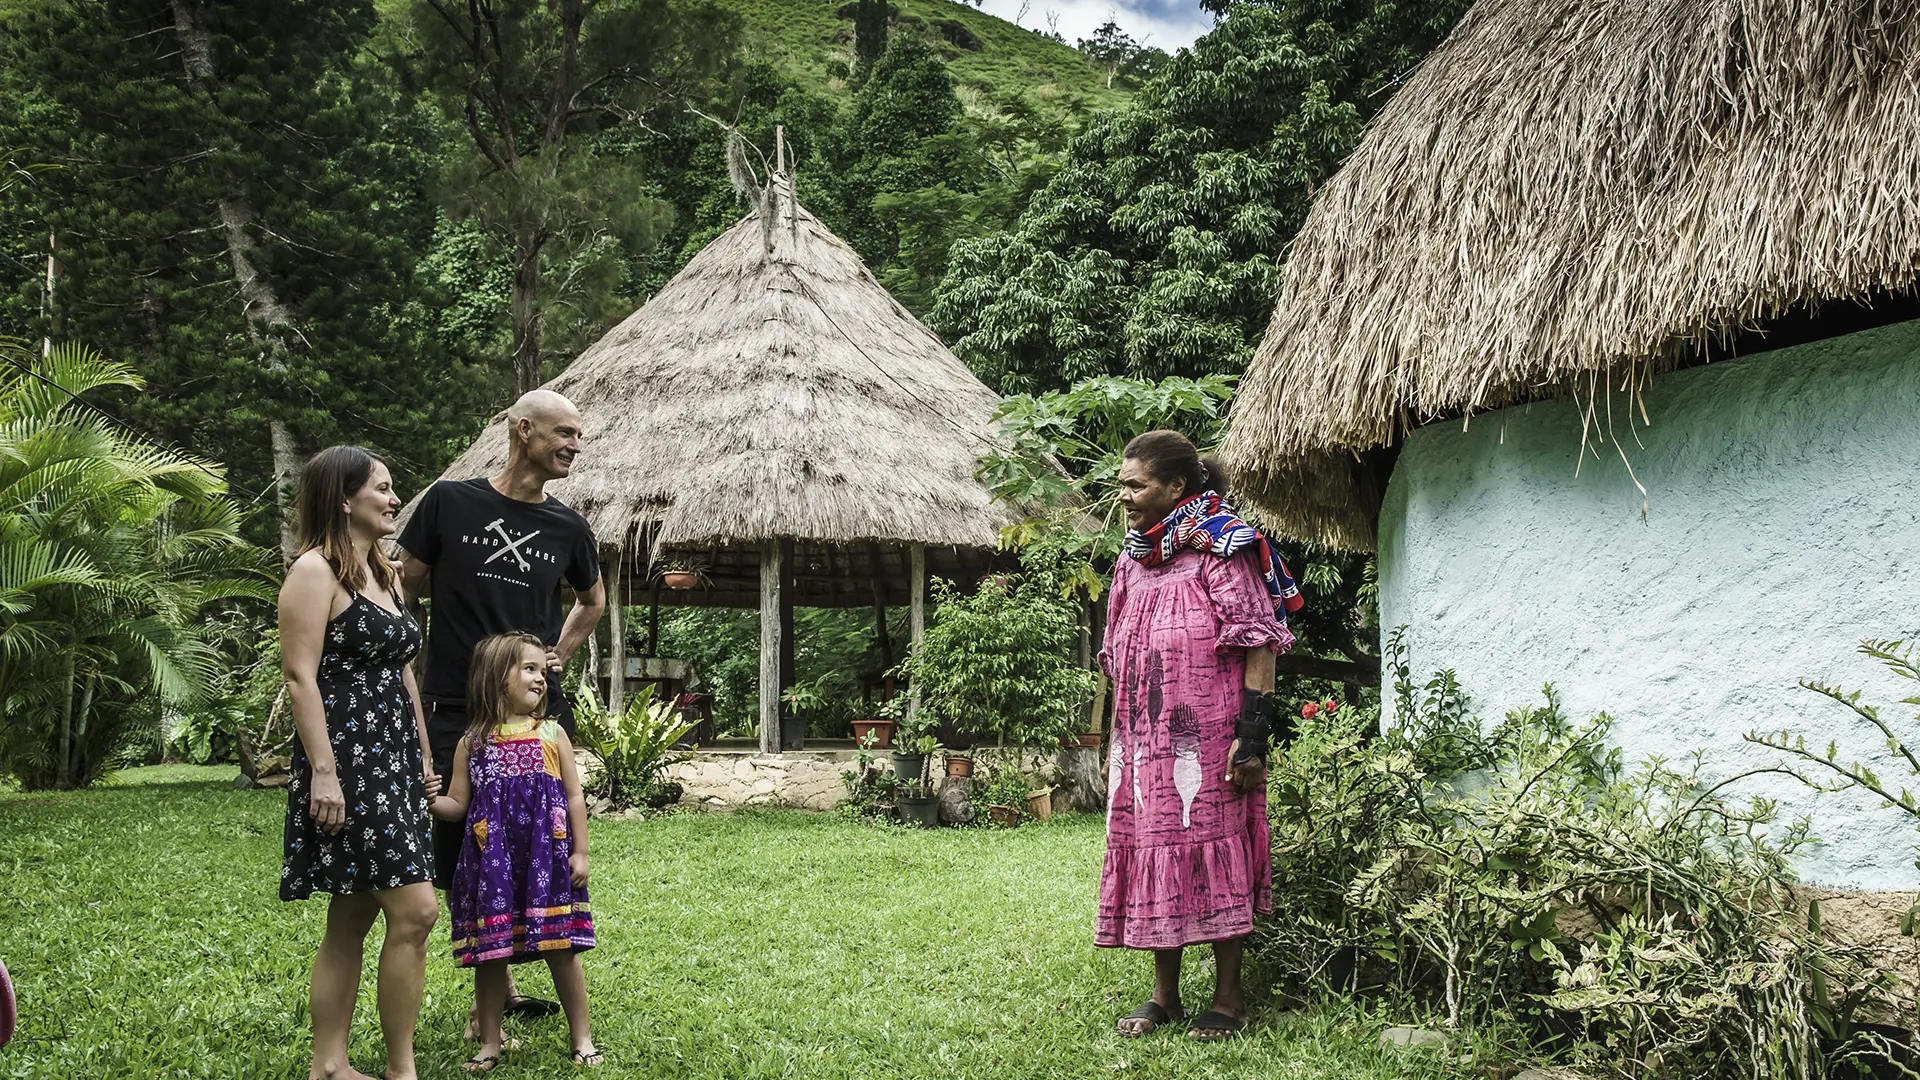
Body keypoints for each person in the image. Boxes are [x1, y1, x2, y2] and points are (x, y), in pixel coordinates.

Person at [397, 389, 606, 1027]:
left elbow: (591, 601)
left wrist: (556, 656)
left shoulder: (568, 526)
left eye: (578, 436)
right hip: (454, 704)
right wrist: (401, 657)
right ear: (523, 431)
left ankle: (508, 984)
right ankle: (493, 988)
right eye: (563, 433)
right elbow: (403, 584)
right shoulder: (448, 501)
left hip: (531, 713)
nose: (575, 445)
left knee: (534, 835)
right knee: (463, 846)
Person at [1098, 430, 1302, 1042]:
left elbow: (1259, 642)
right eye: (1123, 482)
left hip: (1210, 740)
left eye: (1137, 484)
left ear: (1177, 487)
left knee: (1215, 851)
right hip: (1145, 745)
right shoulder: (1131, 560)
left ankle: (1229, 998)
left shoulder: (1224, 550)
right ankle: (1164, 996)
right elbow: (1117, 651)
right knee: (1155, 847)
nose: (1124, 495)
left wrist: (1253, 736)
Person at [279, 446, 440, 1080]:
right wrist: (323, 771)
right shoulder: (315, 572)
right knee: (417, 911)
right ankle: (402, 1071)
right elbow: (299, 676)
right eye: (382, 488)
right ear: (344, 499)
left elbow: (404, 674)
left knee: (353, 913)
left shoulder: (388, 573)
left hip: (393, 760)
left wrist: (423, 753)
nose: (395, 498)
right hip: (347, 760)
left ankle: (330, 1066)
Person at [431, 633, 599, 1072]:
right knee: (492, 954)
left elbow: (574, 797)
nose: (540, 678)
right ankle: (489, 1043)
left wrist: (580, 852)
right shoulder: (473, 741)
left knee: (561, 947)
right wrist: (428, 799)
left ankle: (581, 1035)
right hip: (493, 866)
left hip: (547, 859)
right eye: (529, 669)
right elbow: (456, 805)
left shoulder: (551, 732)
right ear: (495, 677)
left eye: (542, 671)